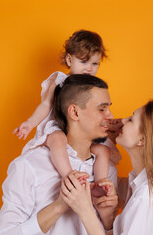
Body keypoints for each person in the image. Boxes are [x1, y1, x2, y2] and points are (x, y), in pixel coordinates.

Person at [0, 75, 119, 235]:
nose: (110, 115)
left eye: (109, 108)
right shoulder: (29, 166)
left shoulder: (107, 170)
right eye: (102, 109)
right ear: (74, 112)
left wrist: (108, 217)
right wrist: (59, 205)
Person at [62, 100, 153, 235]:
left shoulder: (146, 199)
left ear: (142, 139)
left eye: (131, 119)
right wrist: (108, 219)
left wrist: (85, 210)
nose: (122, 121)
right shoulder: (142, 185)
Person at [12, 30, 122, 190]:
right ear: (69, 60)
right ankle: (69, 175)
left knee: (103, 150)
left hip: (83, 132)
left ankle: (101, 183)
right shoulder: (59, 81)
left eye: (94, 64)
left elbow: (96, 113)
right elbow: (46, 104)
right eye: (84, 62)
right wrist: (30, 123)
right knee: (57, 139)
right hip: (59, 126)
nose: (89, 69)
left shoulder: (93, 86)